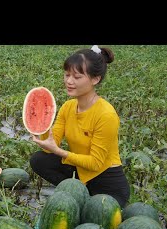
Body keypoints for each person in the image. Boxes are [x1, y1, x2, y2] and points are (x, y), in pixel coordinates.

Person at [29, 45, 130, 208]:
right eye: (67, 74)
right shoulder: (68, 107)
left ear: (95, 79)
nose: (69, 81)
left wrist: (58, 151)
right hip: (80, 173)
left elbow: (95, 163)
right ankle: (78, 194)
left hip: (107, 182)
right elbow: (49, 147)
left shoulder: (106, 115)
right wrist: (41, 125)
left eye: (77, 77)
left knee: (98, 216)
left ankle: (82, 197)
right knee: (39, 160)